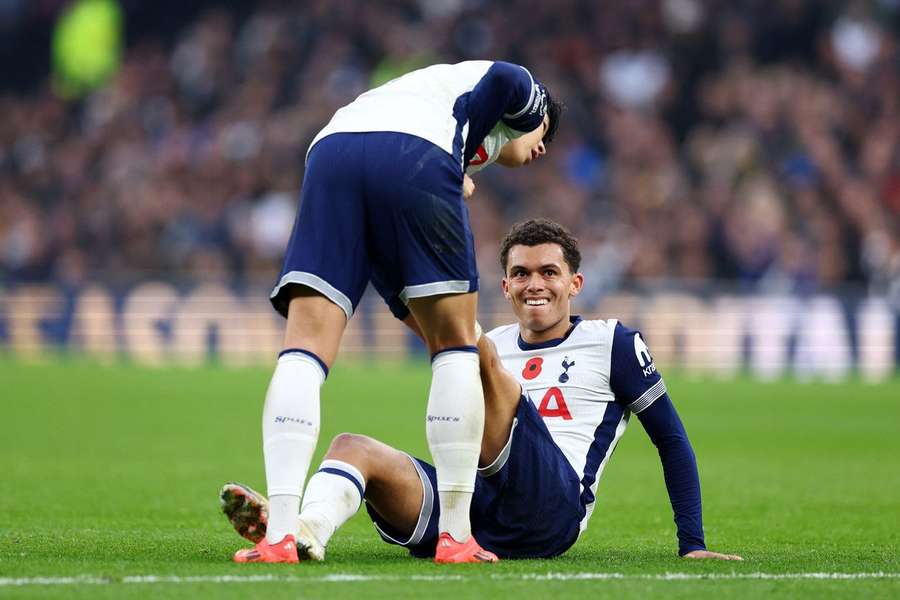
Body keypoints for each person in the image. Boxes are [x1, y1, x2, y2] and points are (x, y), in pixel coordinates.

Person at [222, 219, 742, 562]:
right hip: (468, 505)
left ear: (575, 284)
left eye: (549, 272)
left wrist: (692, 544)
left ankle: (400, 266)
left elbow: (671, 439)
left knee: (474, 353)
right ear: (506, 286)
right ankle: (305, 530)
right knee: (351, 447)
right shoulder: (490, 341)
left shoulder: (611, 342)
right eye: (521, 273)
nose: (535, 283)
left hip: (550, 513)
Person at [239, 61, 563, 564]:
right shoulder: (509, 100)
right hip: (416, 151)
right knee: (456, 346)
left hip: (331, 149)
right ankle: (456, 537)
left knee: (303, 346)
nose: (543, 147)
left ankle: (280, 535)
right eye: (546, 132)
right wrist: (459, 164)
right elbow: (506, 78)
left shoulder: (434, 96)